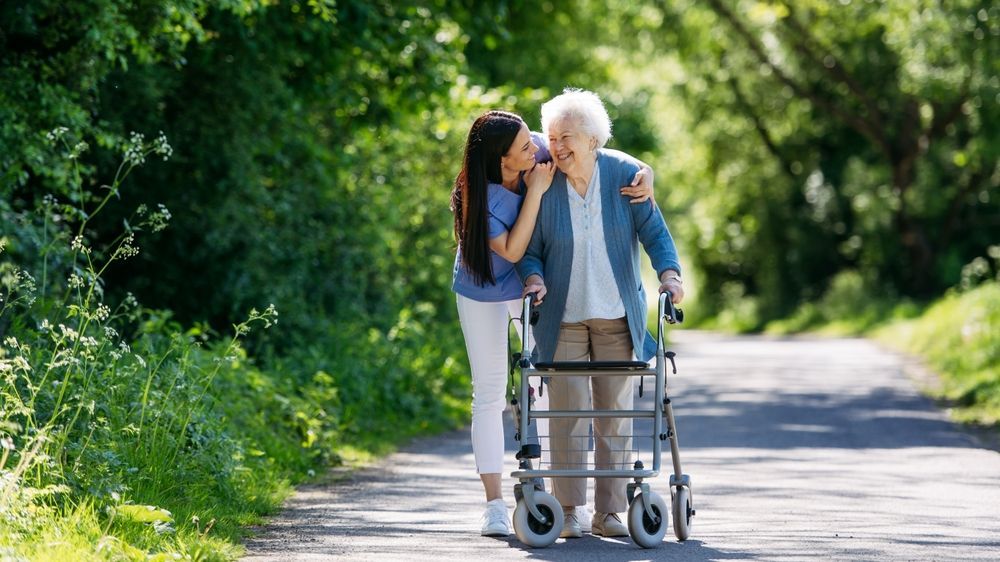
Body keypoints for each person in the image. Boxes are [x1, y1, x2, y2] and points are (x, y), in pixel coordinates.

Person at [450, 109, 657, 537]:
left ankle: (559, 496)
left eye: (534, 141)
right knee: (488, 392)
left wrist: (643, 169)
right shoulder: (481, 194)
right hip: (485, 288)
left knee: (548, 385)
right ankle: (493, 503)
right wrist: (538, 193)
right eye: (526, 146)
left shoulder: (534, 156)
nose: (540, 148)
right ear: (502, 160)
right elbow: (510, 250)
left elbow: (591, 148)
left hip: (536, 287)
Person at [516, 89, 685, 539]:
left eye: (567, 136)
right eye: (552, 137)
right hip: (563, 317)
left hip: (616, 315)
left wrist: (670, 276)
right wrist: (533, 278)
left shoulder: (625, 175)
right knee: (567, 416)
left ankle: (608, 513)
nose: (557, 145)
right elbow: (530, 250)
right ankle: (569, 509)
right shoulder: (545, 181)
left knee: (615, 416)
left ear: (593, 140)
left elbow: (655, 232)